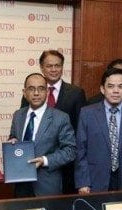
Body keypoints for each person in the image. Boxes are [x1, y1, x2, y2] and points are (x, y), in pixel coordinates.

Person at [21, 49, 86, 194]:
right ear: (41, 67)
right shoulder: (31, 93)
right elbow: (24, 127)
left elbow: (81, 131)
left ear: (62, 67)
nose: (54, 69)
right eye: (49, 66)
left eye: (57, 66)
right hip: (32, 169)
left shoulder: (76, 93)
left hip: (66, 167)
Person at [75, 68, 122, 193]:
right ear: (102, 89)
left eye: (121, 86)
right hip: (94, 180)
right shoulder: (87, 113)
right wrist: (83, 182)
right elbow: (81, 151)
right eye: (111, 86)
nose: (116, 91)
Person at [8, 73, 76, 197]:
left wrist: (45, 160)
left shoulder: (60, 118)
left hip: (46, 186)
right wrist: (12, 140)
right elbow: (13, 137)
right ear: (24, 92)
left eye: (41, 88)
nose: (36, 93)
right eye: (31, 89)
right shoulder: (18, 115)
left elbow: (70, 150)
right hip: (20, 184)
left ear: (47, 92)